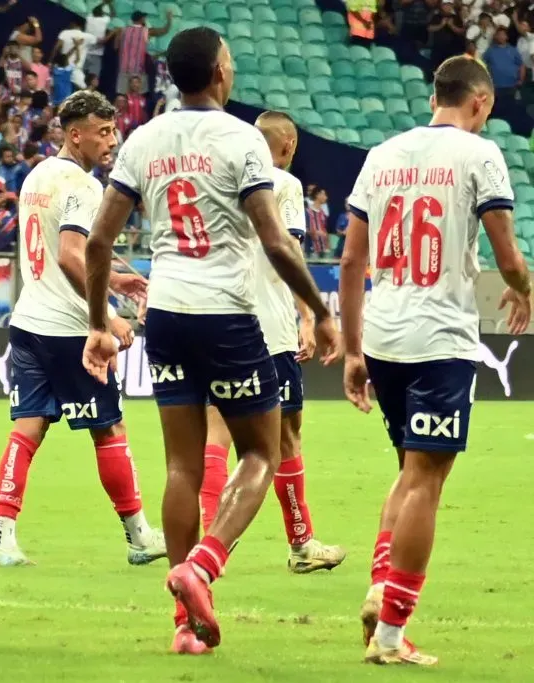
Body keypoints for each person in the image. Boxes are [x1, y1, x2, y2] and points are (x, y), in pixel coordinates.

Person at [81, 27, 339, 654]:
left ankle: (184, 628)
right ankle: (202, 566)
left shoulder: (144, 140)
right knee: (261, 453)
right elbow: (277, 241)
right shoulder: (242, 139)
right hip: (225, 314)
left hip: (166, 314)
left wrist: (97, 322)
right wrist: (319, 309)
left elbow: (96, 242)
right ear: (221, 72)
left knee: (180, 465)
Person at [340, 55, 532, 666]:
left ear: (434, 97)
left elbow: (350, 262)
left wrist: (350, 348)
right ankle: (392, 634)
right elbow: (505, 252)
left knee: (407, 468)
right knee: (428, 479)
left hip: (383, 334)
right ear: (480, 102)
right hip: (440, 338)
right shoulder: (480, 156)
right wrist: (524, 288)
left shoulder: (382, 155)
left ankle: (379, 583)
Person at [0, 89, 165, 567]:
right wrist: (107, 315)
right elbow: (70, 253)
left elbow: (59, 251)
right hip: (69, 329)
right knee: (109, 429)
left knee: (27, 429)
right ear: (75, 135)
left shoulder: (37, 176)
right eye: (103, 132)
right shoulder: (84, 187)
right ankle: (138, 536)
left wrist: (117, 278)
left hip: (28, 321)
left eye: (113, 130)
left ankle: (3, 538)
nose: (112, 140)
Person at [198, 111, 346, 574]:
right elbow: (290, 251)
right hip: (271, 330)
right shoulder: (283, 184)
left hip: (221, 324)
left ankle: (207, 538)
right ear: (289, 147)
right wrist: (309, 315)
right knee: (285, 436)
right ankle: (300, 544)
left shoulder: (220, 183)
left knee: (216, 430)